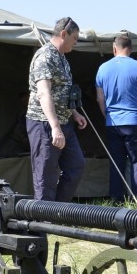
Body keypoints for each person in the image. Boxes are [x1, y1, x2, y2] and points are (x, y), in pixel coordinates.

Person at [26, 17, 87, 201]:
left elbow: (63, 92)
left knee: (76, 165)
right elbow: (44, 93)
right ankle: (43, 224)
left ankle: (58, 211)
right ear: (63, 34)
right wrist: (55, 127)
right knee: (45, 176)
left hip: (64, 123)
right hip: (44, 124)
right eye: (74, 38)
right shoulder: (45, 56)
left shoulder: (63, 59)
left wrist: (74, 113)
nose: (76, 42)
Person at [95, 34, 137, 202]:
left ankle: (116, 201)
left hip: (113, 123)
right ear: (131, 49)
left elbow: (100, 99)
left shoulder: (102, 68)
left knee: (116, 163)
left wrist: (108, 117)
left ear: (114, 48)